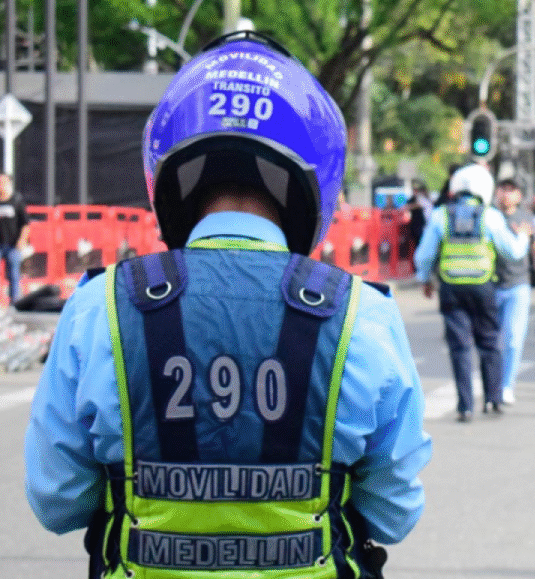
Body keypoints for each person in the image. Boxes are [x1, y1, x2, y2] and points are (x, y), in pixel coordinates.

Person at [24, 31, 431, 579]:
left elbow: (58, 501)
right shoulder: (363, 315)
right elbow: (394, 513)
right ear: (319, 175)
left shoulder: (100, 308)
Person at [414, 163, 530, 422]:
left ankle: (465, 406)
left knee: (460, 347)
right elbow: (512, 252)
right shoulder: (490, 216)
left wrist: (425, 280)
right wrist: (523, 237)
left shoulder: (440, 215)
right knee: (490, 343)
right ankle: (492, 399)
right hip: (483, 287)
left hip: (451, 289)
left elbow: (424, 256)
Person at [494, 177, 535, 405]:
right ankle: (493, 383)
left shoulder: (525, 218)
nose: (507, 195)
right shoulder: (490, 217)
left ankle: (507, 385)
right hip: (491, 284)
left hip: (518, 285)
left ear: (519, 195)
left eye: (512, 190)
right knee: (491, 341)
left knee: (514, 340)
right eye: (503, 190)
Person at [0, 173, 29, 304]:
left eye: (3, 182)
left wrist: (22, 240)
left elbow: (25, 224)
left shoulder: (16, 200)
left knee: (13, 274)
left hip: (13, 245)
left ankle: (14, 301)